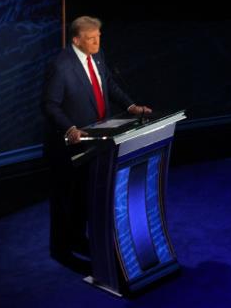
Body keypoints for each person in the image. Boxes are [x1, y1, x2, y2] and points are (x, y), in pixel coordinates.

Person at [41, 16, 151, 268]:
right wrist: (69, 127)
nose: (96, 42)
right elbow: (49, 104)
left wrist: (131, 106)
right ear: (76, 40)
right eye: (91, 39)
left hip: (96, 142)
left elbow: (108, 85)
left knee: (83, 196)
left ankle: (79, 239)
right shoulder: (60, 66)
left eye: (99, 36)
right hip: (67, 147)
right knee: (64, 199)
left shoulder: (98, 57)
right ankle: (60, 250)